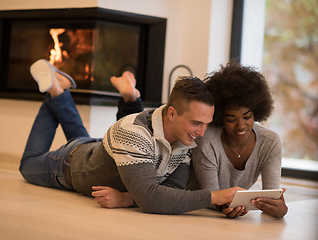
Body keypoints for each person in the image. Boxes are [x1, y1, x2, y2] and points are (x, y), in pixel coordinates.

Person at [19, 59, 242, 214]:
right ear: (172, 113)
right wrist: (214, 196)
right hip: (68, 166)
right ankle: (56, 92)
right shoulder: (132, 132)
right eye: (196, 123)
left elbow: (173, 189)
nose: (202, 133)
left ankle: (61, 89)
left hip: (99, 154)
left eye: (206, 124)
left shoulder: (186, 139)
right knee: (27, 165)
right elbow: (151, 198)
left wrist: (127, 198)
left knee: (91, 150)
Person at [191, 61, 288, 218]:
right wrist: (223, 207)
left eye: (247, 116)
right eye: (231, 119)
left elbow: (271, 196)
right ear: (220, 117)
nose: (241, 125)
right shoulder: (207, 140)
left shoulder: (270, 142)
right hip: (196, 212)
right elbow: (211, 195)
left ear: (256, 111)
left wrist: (279, 209)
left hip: (227, 219)